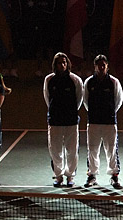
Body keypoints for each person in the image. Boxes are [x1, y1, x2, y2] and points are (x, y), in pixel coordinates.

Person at [83, 55, 123, 189]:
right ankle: (92, 176)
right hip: (94, 122)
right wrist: (94, 113)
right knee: (93, 150)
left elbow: (118, 100)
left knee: (111, 149)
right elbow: (85, 101)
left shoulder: (114, 82)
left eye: (103, 65)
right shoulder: (89, 82)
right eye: (98, 65)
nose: (101, 67)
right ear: (94, 67)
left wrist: (110, 112)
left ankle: (114, 176)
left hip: (109, 122)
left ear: (107, 66)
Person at [43, 52, 83, 188]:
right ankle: (58, 176)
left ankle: (70, 176)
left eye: (64, 62)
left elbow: (79, 99)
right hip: (55, 120)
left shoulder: (75, 80)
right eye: (60, 63)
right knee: (55, 149)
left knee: (72, 149)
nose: (62, 65)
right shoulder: (49, 80)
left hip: (71, 120)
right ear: (55, 65)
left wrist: (71, 111)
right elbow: (48, 98)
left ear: (68, 64)